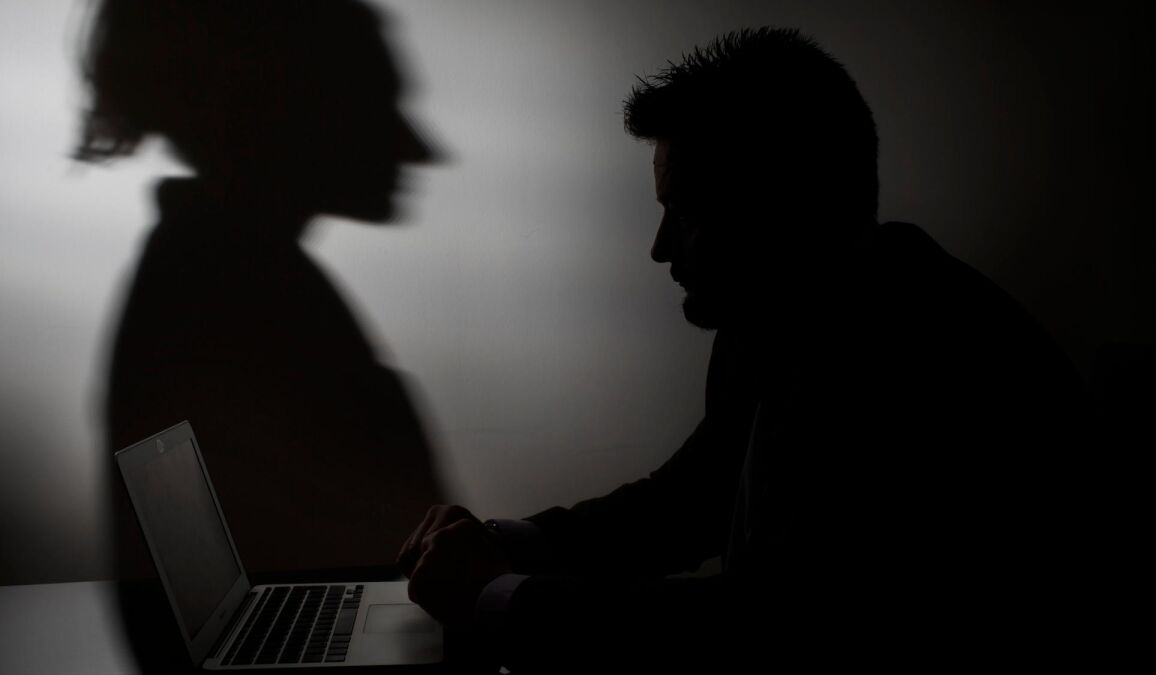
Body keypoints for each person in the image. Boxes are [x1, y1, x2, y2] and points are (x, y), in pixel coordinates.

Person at [396, 27, 1095, 672]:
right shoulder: (778, 312)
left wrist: (498, 597)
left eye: (686, 212)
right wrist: (505, 542)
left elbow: (767, 627)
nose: (659, 248)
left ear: (787, 207)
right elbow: (691, 499)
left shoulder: (918, 358)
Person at [75, 0, 444, 668]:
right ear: (292, 107)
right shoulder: (228, 295)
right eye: (377, 101)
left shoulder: (228, 274)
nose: (424, 150)